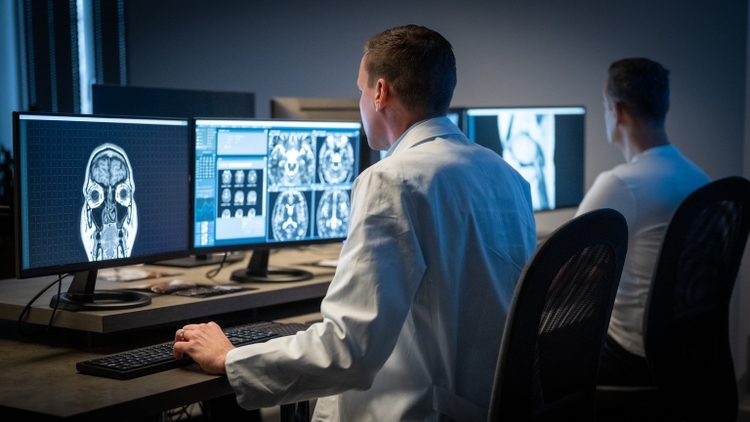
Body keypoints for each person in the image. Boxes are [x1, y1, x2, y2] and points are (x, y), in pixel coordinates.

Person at [173, 24, 536, 421]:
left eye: (361, 90)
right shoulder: (506, 175)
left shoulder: (391, 180)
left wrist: (231, 357)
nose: (361, 102)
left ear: (380, 93)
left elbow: (349, 351)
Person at [575, 58, 710, 385]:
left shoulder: (620, 184)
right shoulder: (698, 178)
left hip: (630, 355)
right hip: (686, 351)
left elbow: (564, 268)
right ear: (664, 106)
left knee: (538, 355)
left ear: (616, 112)